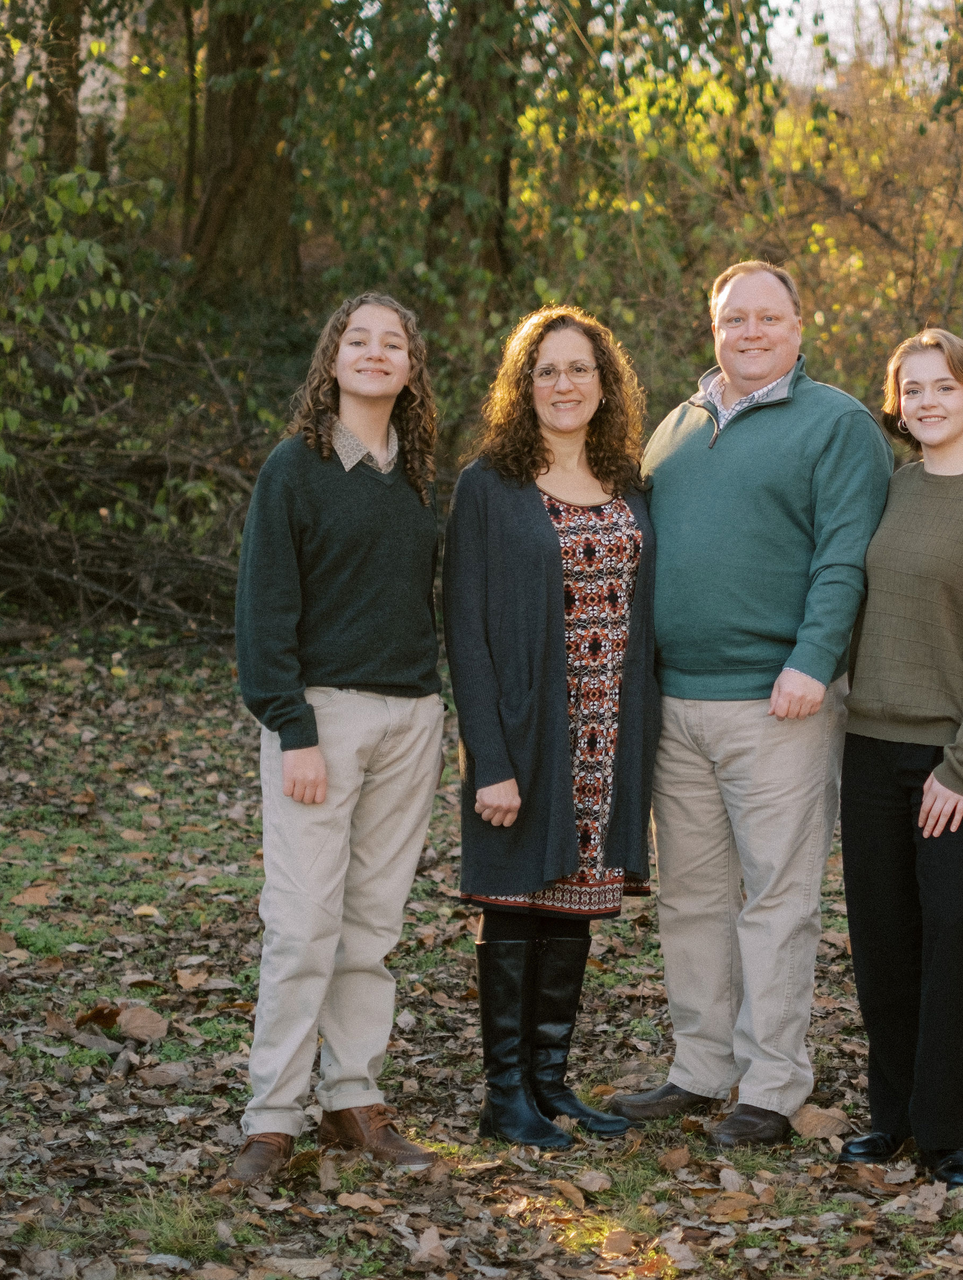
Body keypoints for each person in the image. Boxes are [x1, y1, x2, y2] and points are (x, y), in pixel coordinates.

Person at [608, 261, 894, 1148]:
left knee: (776, 898)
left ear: (800, 327)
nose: (751, 333)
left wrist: (814, 661)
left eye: (769, 318)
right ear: (714, 326)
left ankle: (772, 1083)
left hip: (781, 705)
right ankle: (701, 1066)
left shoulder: (838, 424)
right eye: (736, 319)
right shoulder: (677, 429)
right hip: (676, 705)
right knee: (693, 897)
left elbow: (846, 554)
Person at [225, 293, 447, 1186]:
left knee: (372, 928)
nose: (375, 353)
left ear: (410, 368)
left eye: (392, 343)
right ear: (333, 358)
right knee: (304, 925)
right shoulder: (295, 468)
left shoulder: (421, 474)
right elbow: (263, 613)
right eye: (359, 339)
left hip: (412, 719)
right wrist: (293, 727)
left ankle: (353, 1099)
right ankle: (272, 1119)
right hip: (321, 720)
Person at [445, 305, 658, 1150]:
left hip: (608, 725)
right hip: (526, 731)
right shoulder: (487, 486)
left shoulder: (629, 482)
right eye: (547, 371)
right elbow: (463, 628)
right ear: (522, 387)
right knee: (513, 901)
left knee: (572, 900)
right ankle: (505, 1098)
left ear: (605, 385)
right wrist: (487, 760)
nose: (564, 384)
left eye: (579, 370)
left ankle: (549, 1082)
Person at [837, 330, 963, 1189]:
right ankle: (891, 1117)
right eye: (911, 390)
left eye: (942, 387)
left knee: (949, 938)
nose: (926, 402)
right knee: (882, 941)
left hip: (954, 761)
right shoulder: (887, 491)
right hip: (869, 748)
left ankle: (947, 1130)